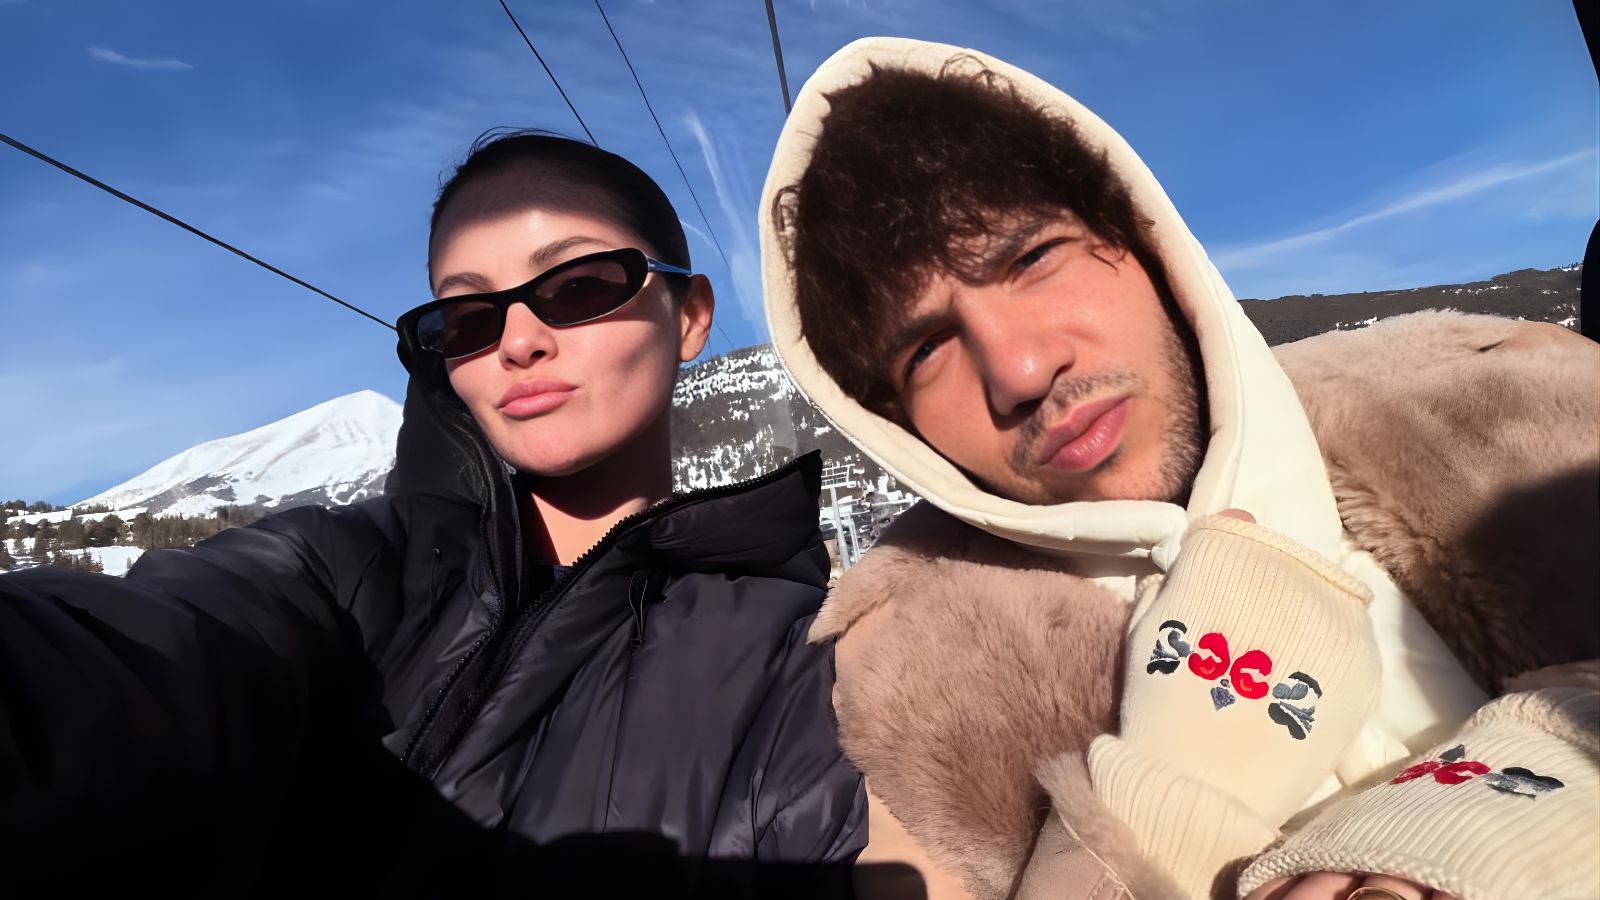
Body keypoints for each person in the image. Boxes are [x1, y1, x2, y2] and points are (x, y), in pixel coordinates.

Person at [758, 38, 1599, 900]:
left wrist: (1540, 774)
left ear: (1144, 242)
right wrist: (1158, 809)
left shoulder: (1512, 395)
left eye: (1031, 258)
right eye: (927, 349)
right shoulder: (912, 700)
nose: (1019, 370)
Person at [0, 130, 866, 896]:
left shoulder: (806, 667)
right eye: (468, 317)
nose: (518, 342)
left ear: (691, 316)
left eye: (578, 286)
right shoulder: (338, 570)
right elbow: (128, 659)